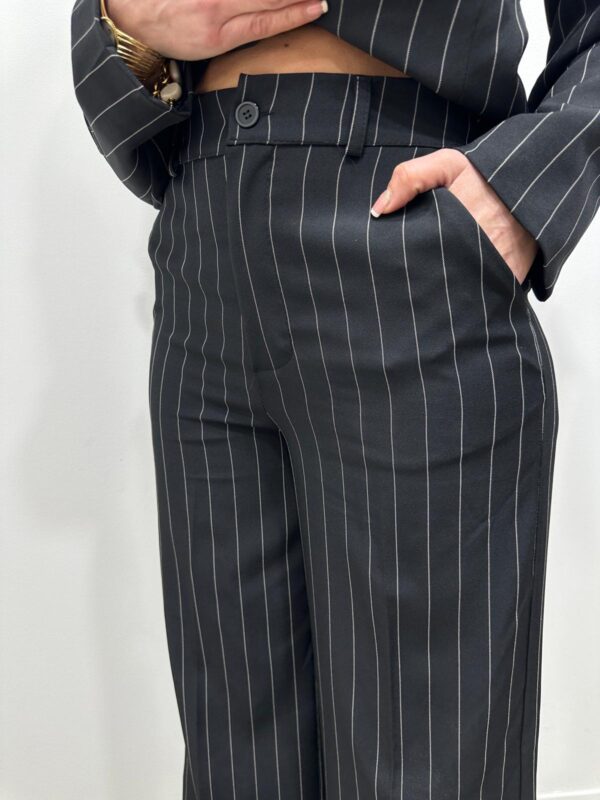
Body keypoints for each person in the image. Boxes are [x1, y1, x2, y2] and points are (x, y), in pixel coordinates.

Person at [70, 0, 598, 797]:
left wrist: (521, 188)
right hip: (204, 235)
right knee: (234, 771)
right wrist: (126, 27)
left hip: (408, 232)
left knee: (426, 769)